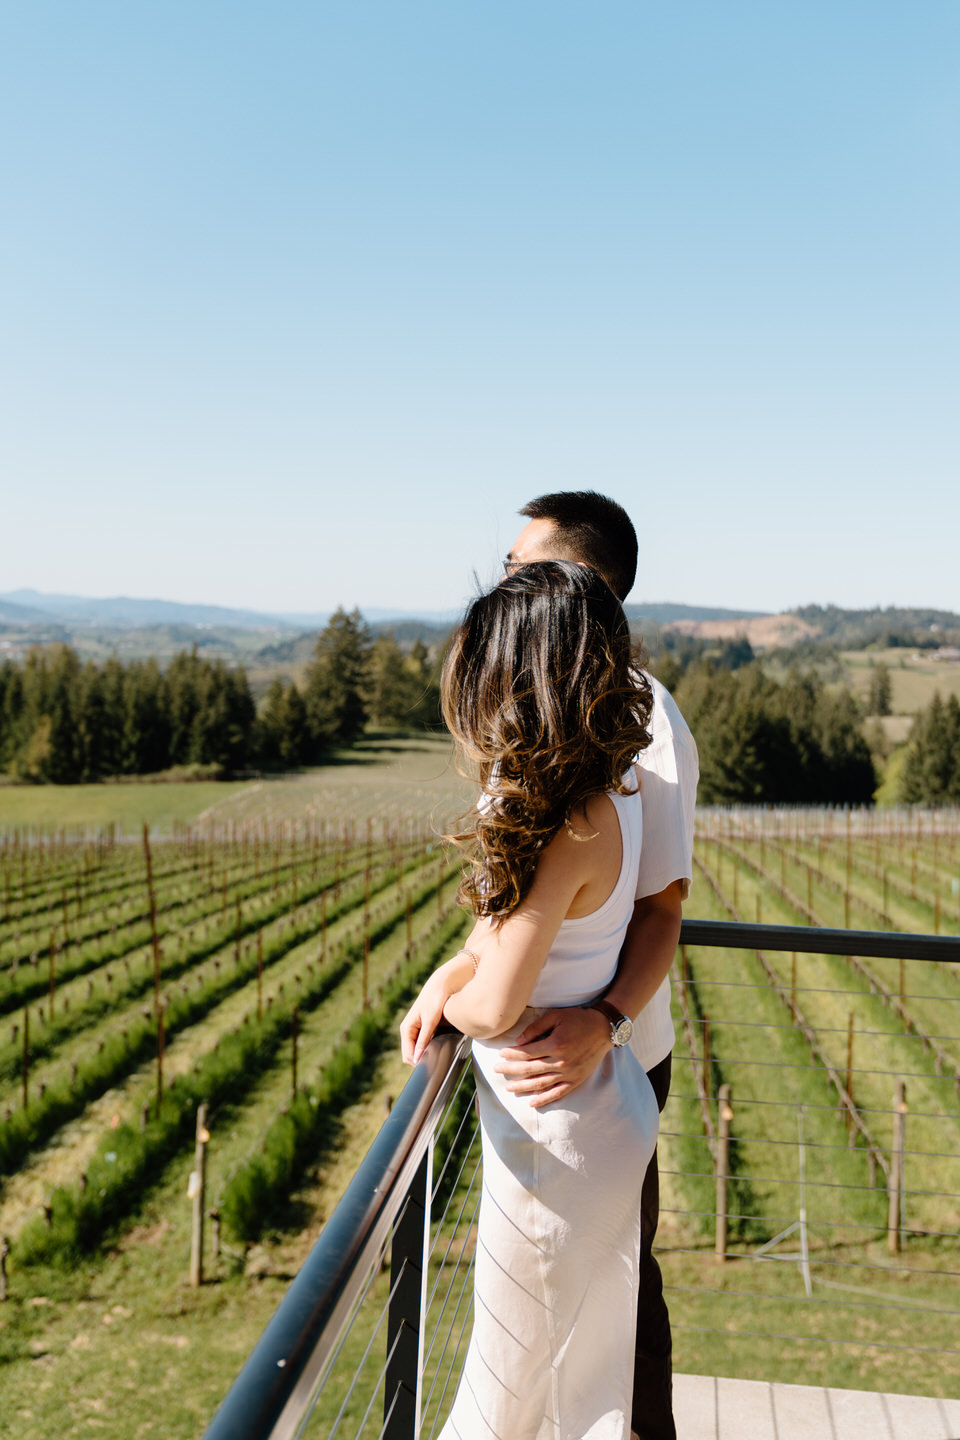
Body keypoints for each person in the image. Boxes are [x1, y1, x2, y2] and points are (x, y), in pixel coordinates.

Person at [407, 492, 698, 1440]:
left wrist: (604, 1019)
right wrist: (453, 971)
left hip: (601, 1062)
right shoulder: (556, 748)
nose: (501, 583)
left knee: (577, 1351)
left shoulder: (641, 728)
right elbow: (508, 922)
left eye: (517, 569)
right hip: (564, 1073)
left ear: (574, 588)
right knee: (570, 1360)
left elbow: (660, 907)